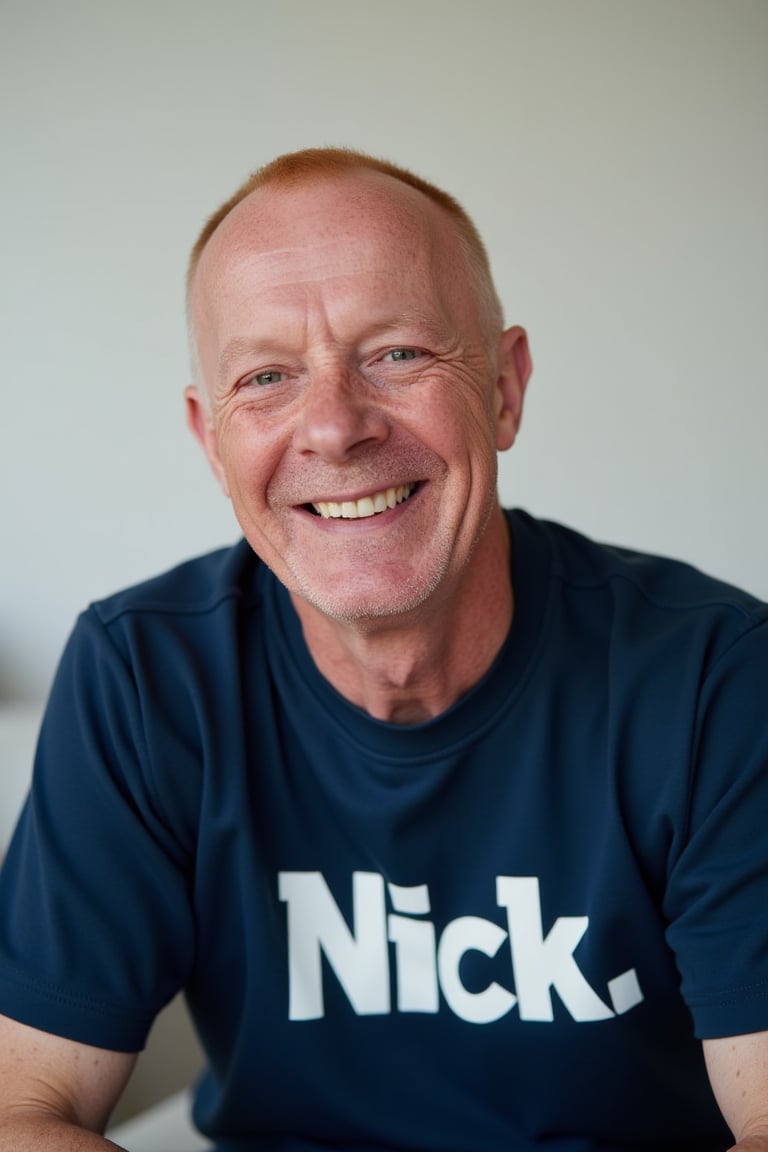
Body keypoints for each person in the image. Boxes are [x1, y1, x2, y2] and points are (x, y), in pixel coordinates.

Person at [0, 147, 766, 1152]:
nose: (334, 426)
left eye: (396, 353)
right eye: (267, 377)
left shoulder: (716, 675)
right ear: (210, 440)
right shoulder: (144, 675)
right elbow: (24, 1107)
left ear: (504, 388)